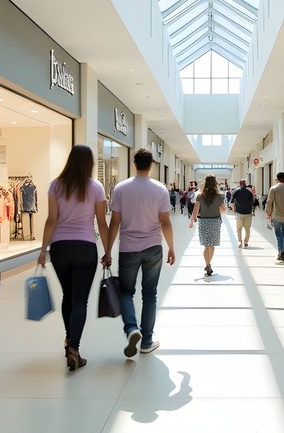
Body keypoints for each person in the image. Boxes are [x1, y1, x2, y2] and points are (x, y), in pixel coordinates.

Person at [37, 145, 110, 372]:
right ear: (89, 163)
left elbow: (51, 220)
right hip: (86, 247)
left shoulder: (56, 185)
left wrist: (42, 250)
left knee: (68, 295)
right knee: (80, 300)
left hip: (60, 248)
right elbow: (101, 221)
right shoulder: (96, 187)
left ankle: (69, 340)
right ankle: (74, 349)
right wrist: (108, 251)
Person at [107, 148, 175, 357]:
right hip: (153, 248)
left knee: (126, 291)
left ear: (134, 163)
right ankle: (146, 341)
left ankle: (131, 328)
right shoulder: (160, 189)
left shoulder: (121, 188)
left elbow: (115, 221)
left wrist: (108, 250)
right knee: (150, 294)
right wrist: (171, 247)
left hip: (128, 248)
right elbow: (165, 222)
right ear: (151, 164)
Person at [190, 175, 225, 276]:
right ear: (215, 183)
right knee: (212, 245)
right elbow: (223, 210)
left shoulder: (200, 196)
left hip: (204, 222)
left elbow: (195, 211)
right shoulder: (219, 196)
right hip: (215, 221)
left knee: (206, 246)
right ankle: (209, 264)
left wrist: (192, 220)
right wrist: (215, 208)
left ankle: (207, 264)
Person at [229, 179, 256, 248]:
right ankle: (246, 242)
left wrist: (233, 210)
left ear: (239, 184)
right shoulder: (249, 191)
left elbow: (231, 202)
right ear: (245, 184)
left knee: (239, 229)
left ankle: (240, 242)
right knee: (247, 229)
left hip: (239, 213)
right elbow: (253, 202)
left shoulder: (236, 191)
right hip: (248, 213)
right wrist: (253, 211)